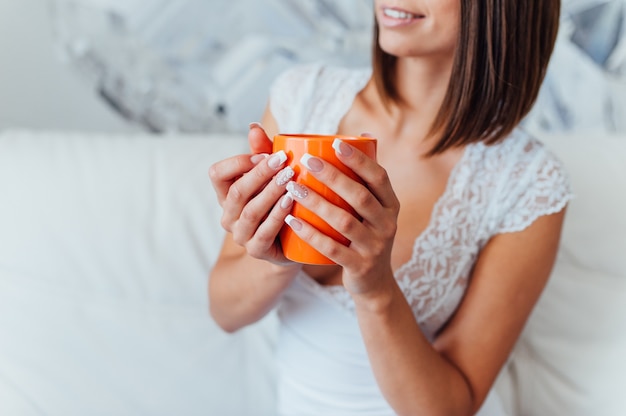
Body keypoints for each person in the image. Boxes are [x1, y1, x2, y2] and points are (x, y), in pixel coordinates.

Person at [208, 1, 571, 415]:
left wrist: (376, 289)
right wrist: (275, 257)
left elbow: (452, 407)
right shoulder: (301, 98)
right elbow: (224, 311)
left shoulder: (530, 182)